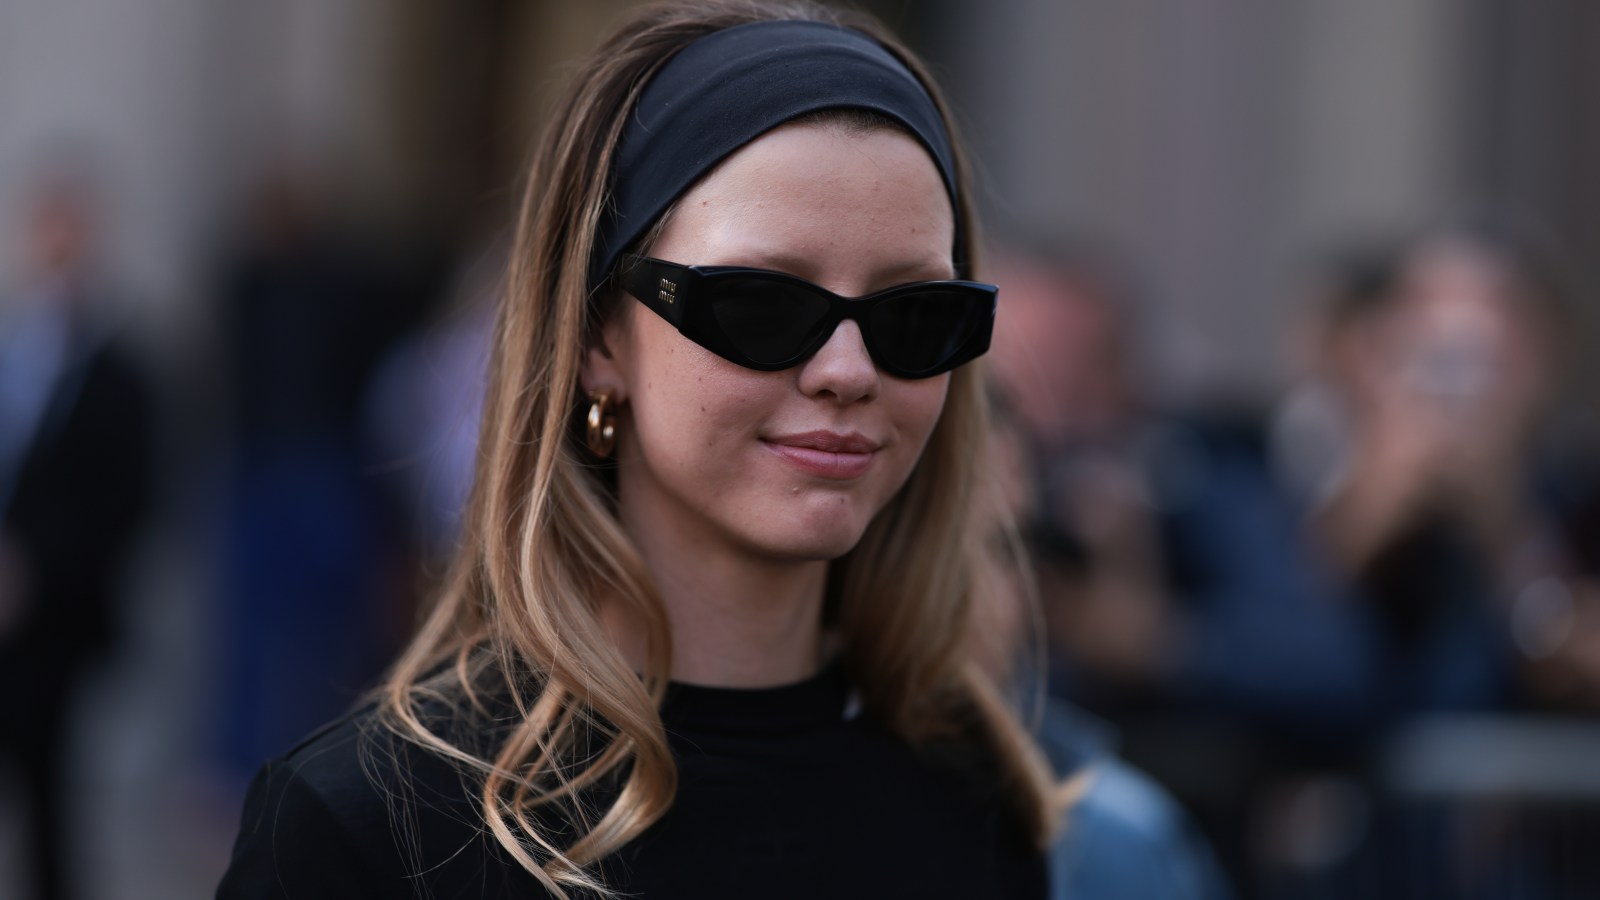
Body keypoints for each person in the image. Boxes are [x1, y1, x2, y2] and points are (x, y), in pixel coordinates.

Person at [217, 2, 1069, 897]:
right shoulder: (370, 828)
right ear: (598, 336)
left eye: (917, 316)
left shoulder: (978, 801)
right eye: (761, 303)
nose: (848, 371)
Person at [0, 173, 155, 900]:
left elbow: (129, 499)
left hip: (54, 615)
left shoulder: (121, 373)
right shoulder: (14, 345)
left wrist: (31, 568)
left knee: (50, 794)